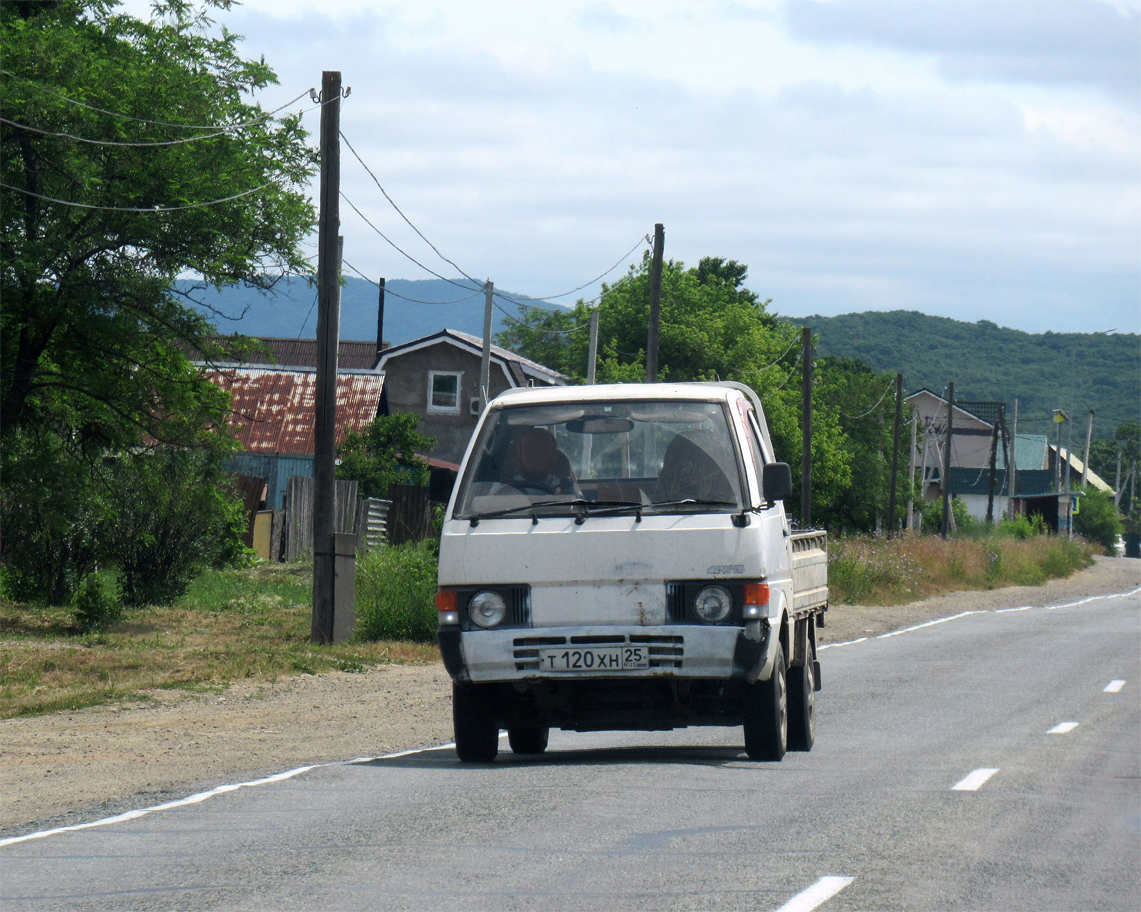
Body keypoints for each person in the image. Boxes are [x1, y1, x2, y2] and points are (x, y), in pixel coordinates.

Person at [497, 427, 580, 497]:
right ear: (519, 452)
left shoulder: (567, 490)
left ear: (554, 455)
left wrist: (564, 499)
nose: (535, 454)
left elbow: (580, 511)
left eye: (542, 450)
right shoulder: (503, 488)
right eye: (529, 449)